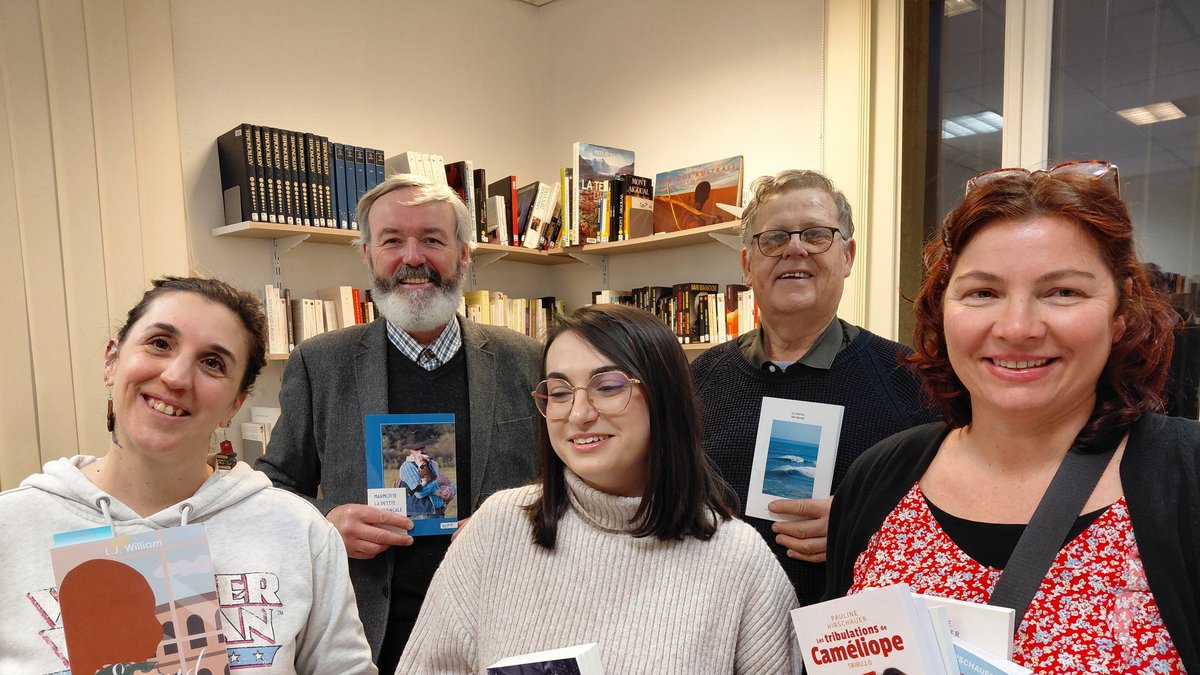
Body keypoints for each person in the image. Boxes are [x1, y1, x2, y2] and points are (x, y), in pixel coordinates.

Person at [825, 161, 1199, 672]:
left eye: (1063, 291)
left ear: (1119, 316)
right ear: (942, 311)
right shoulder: (878, 479)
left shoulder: (1187, 478)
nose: (1018, 327)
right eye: (983, 292)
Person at [397, 304, 801, 673]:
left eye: (607, 387)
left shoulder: (738, 561)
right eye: (558, 393)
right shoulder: (496, 529)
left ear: (664, 396)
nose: (579, 413)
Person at [0, 276, 375, 674]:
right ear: (112, 359)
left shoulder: (300, 532)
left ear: (235, 404)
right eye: (160, 343)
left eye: (212, 363)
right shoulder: (11, 527)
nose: (176, 378)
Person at [256, 174, 542, 672]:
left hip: (506, 627)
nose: (413, 258)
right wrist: (324, 522)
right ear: (368, 255)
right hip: (370, 637)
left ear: (464, 255)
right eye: (392, 240)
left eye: (432, 239)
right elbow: (272, 488)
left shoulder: (529, 360)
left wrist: (520, 517)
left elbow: (572, 482)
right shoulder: (319, 364)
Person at [691, 169, 938, 605]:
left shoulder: (913, 381)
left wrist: (865, 524)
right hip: (715, 627)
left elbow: (963, 509)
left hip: (846, 644)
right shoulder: (698, 379)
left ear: (847, 256)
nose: (794, 249)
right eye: (774, 238)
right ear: (748, 264)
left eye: (816, 235)